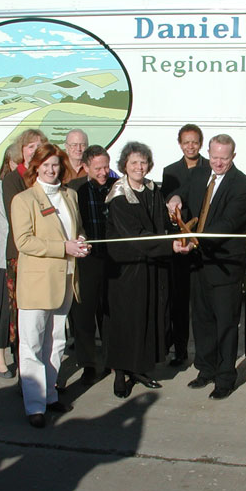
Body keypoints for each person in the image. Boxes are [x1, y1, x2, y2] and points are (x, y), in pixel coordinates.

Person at [167, 134, 246, 400]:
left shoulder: (243, 186)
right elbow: (182, 193)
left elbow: (227, 224)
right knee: (202, 320)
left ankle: (226, 377)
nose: (218, 163)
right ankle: (205, 369)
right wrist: (174, 199)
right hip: (198, 264)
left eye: (224, 159)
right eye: (214, 157)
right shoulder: (199, 174)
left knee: (226, 324)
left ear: (234, 157)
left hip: (224, 265)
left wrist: (194, 241)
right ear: (209, 153)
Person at [11, 144, 89, 428]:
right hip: (37, 283)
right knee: (32, 344)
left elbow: (76, 229)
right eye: (45, 164)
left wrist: (79, 242)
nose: (51, 169)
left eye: (55, 164)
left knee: (56, 341)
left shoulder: (70, 195)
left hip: (66, 278)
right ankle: (34, 405)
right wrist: (64, 246)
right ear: (36, 167)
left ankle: (49, 394)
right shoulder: (24, 199)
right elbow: (24, 242)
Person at [104, 142, 185, 398]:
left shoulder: (152, 189)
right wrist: (169, 245)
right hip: (127, 269)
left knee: (146, 318)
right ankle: (120, 372)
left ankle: (138, 368)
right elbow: (135, 236)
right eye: (134, 163)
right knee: (126, 320)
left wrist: (177, 227)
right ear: (124, 166)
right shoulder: (118, 195)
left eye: (143, 162)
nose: (139, 167)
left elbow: (160, 224)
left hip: (151, 265)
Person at [66, 145, 118, 384]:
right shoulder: (75, 191)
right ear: (85, 167)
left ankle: (110, 360)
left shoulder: (117, 187)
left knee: (108, 313)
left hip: (112, 260)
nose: (104, 172)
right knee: (84, 315)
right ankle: (88, 363)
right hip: (86, 262)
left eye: (106, 166)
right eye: (98, 168)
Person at [161, 123, 209, 367]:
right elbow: (168, 202)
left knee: (201, 303)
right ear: (179, 144)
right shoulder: (170, 171)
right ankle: (179, 350)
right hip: (179, 244)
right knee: (178, 301)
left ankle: (203, 352)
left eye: (195, 142)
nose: (191, 146)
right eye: (186, 142)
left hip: (201, 243)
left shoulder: (210, 167)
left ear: (200, 143)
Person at [2, 129, 48, 355]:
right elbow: (20, 219)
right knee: (21, 311)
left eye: (39, 147)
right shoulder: (13, 180)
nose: (34, 151)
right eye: (30, 146)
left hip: (45, 253)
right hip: (20, 254)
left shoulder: (47, 178)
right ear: (21, 151)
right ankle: (23, 366)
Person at [0, 144, 22, 379]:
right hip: (8, 258)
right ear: (8, 163)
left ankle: (19, 354)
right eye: (15, 161)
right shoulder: (1, 188)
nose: (19, 165)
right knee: (4, 308)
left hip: (28, 260)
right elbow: (7, 227)